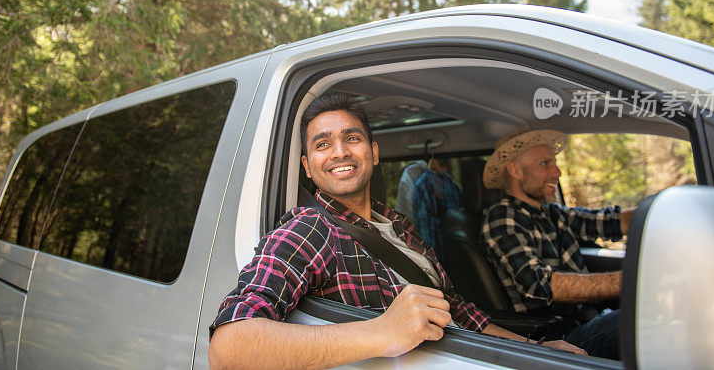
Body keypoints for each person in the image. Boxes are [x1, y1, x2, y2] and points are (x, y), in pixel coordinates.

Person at [209, 94, 584, 369]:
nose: (339, 151)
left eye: (351, 138)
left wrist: (538, 350)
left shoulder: (402, 227)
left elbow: (462, 314)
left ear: (373, 153)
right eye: (323, 144)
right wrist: (382, 332)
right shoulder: (310, 229)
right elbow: (228, 348)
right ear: (308, 167)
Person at [480, 127, 636, 360]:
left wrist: (660, 208)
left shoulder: (552, 212)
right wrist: (632, 281)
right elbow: (540, 286)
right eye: (545, 164)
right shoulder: (503, 217)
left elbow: (611, 222)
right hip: (559, 339)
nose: (558, 172)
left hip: (587, 318)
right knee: (643, 318)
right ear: (515, 170)